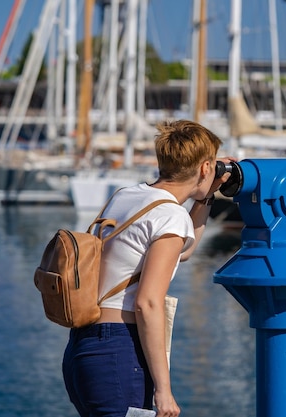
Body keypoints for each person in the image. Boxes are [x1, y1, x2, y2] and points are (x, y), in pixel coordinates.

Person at [62, 120, 232, 417]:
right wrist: (163, 391)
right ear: (205, 168)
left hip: (84, 349)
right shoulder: (170, 216)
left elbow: (185, 250)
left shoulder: (128, 196)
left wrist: (205, 196)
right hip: (119, 350)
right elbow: (147, 302)